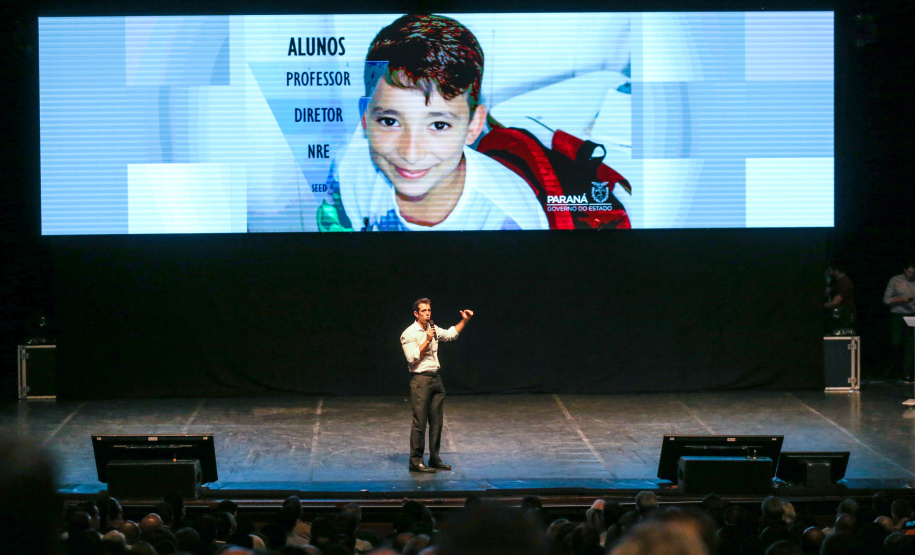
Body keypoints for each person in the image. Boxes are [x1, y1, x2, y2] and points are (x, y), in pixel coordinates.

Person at [317, 14, 549, 232]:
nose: (411, 153)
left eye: (438, 125)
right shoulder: (346, 169)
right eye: (390, 121)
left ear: (473, 126)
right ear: (365, 117)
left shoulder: (511, 220)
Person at [401, 298, 473, 472]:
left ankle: (434, 458)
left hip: (435, 379)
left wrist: (464, 320)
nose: (428, 313)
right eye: (424, 311)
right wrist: (426, 340)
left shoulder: (432, 328)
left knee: (437, 422)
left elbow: (449, 335)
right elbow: (411, 357)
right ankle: (416, 461)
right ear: (416, 314)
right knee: (420, 422)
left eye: (429, 310)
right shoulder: (409, 333)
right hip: (420, 380)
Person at [883, 261, 915, 380]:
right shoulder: (895, 280)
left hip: (912, 315)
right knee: (895, 342)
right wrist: (901, 299)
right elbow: (886, 300)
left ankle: (907, 373)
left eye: (913, 273)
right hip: (897, 315)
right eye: (909, 272)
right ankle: (892, 368)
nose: (911, 275)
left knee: (911, 346)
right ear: (904, 270)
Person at [824, 264, 856, 333]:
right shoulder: (836, 282)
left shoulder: (845, 283)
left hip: (844, 318)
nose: (828, 272)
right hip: (838, 316)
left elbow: (834, 303)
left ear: (836, 270)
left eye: (829, 270)